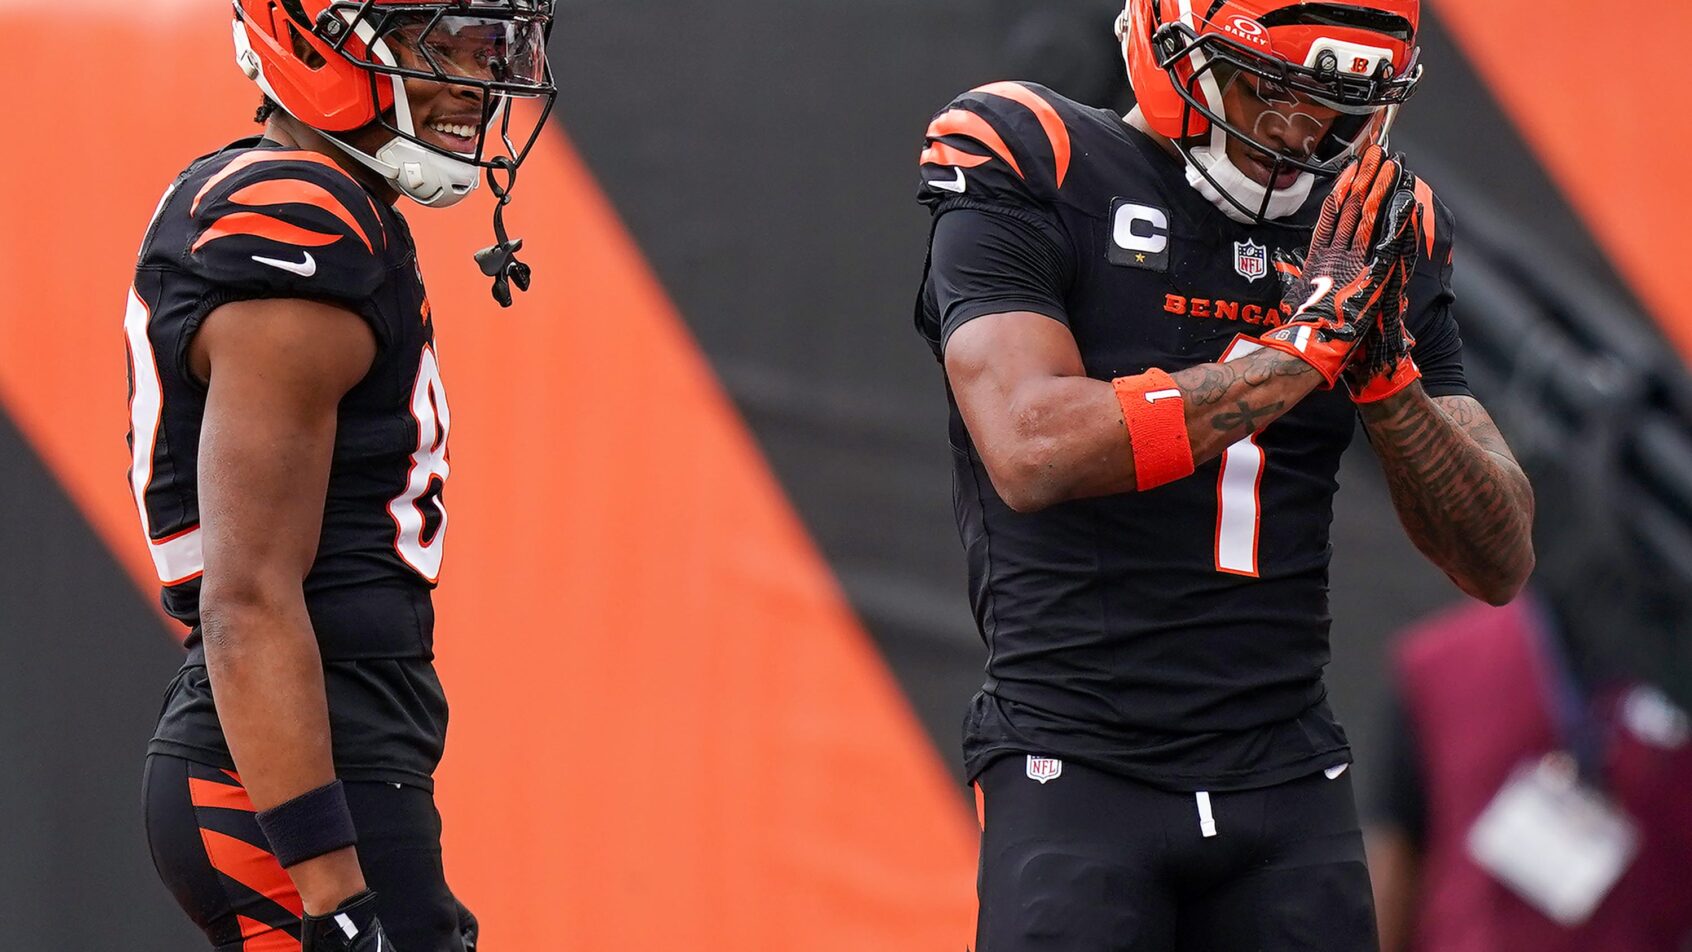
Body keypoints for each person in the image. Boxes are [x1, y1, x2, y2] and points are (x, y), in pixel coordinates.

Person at [911, 1, 1535, 949]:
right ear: (1171, 44)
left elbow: (1499, 558)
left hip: (1287, 781)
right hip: (1078, 763)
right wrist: (1298, 354)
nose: (1298, 125)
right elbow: (1031, 448)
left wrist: (1383, 376)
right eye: (1268, 83)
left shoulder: (1368, 230)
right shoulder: (1039, 156)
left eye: (1336, 96)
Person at [125, 2, 556, 949]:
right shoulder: (297, 217)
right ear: (317, 43)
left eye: (489, 46)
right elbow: (247, 597)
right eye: (436, 43)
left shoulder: (329, 203)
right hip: (289, 772)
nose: (476, 80)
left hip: (335, 748)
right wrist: (334, 892)